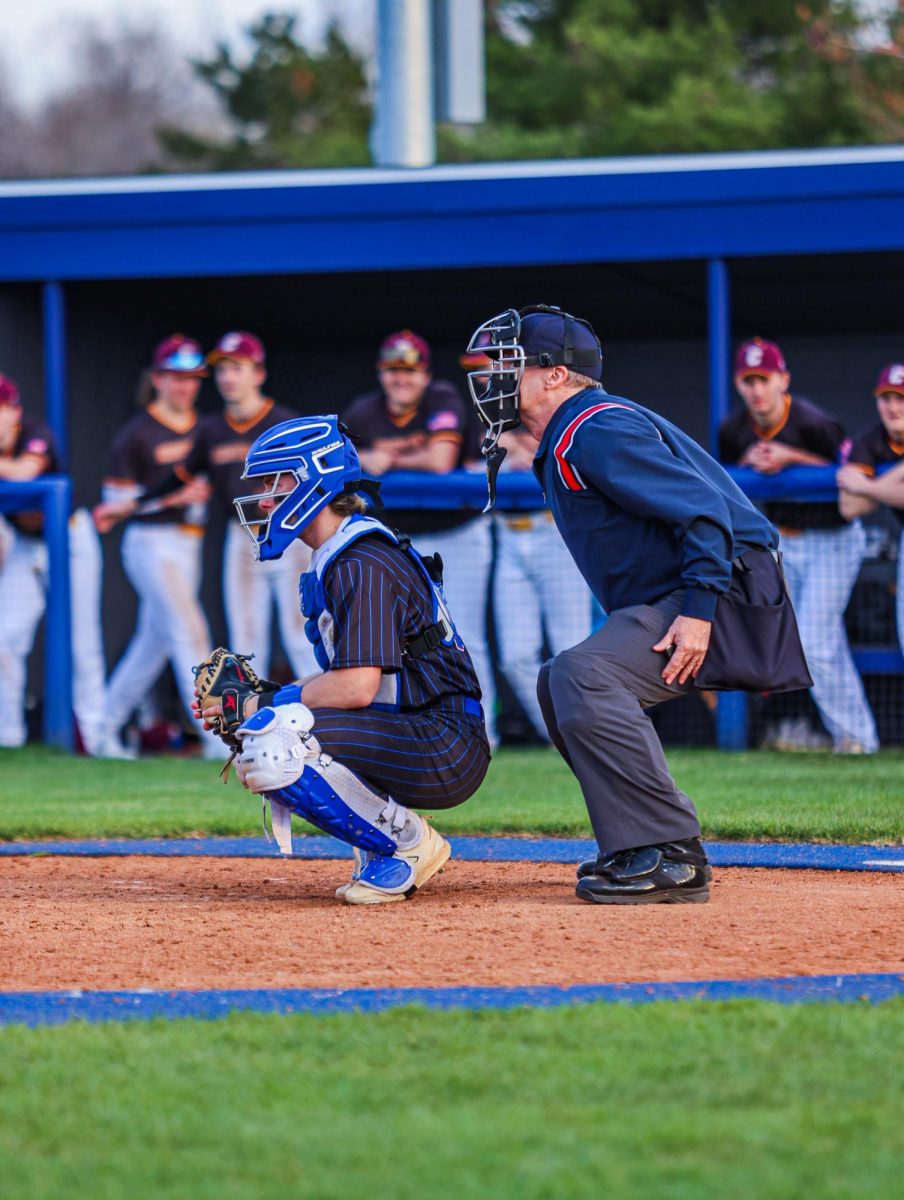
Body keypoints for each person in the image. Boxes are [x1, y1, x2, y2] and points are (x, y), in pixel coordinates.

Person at [464, 305, 780, 905]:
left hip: (727, 588)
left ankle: (674, 855)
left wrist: (700, 611)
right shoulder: (571, 430)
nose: (494, 379)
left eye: (511, 365)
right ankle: (638, 845)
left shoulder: (595, 425)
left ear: (555, 374)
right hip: (697, 586)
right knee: (559, 679)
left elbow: (705, 511)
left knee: (587, 674)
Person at [195, 414, 491, 905]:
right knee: (268, 727)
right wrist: (265, 699)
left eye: (278, 481)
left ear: (317, 479)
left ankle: (406, 844)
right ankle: (382, 844)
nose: (266, 499)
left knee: (273, 739)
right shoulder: (339, 552)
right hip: (417, 727)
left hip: (444, 741)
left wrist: (263, 703)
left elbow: (356, 688)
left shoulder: (360, 561)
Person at [96, 331, 316, 681]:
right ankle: (250, 732)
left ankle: (325, 728)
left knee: (302, 636)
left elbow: (319, 479)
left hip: (289, 533)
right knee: (246, 642)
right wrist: (127, 506)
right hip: (242, 537)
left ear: (258, 373)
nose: (228, 378)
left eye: (237, 368)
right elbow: (178, 478)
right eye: (223, 370)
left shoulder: (284, 422)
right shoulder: (212, 429)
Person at [719, 338, 878, 755]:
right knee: (820, 641)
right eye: (748, 380)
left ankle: (856, 740)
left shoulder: (814, 423)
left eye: (764, 379)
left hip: (834, 540)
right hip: (784, 542)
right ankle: (857, 738)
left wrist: (791, 457)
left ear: (782, 380)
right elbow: (722, 482)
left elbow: (852, 471)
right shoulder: (733, 430)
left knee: (811, 640)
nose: (756, 389)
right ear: (738, 383)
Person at [343, 330, 498, 746]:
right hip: (401, 541)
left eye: (410, 371)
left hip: (459, 533)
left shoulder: (442, 397)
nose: (401, 379)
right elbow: (344, 464)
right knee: (399, 640)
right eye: (394, 370)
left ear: (425, 374)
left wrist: (386, 459)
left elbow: (441, 459)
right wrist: (366, 458)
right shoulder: (362, 411)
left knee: (466, 637)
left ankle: (487, 733)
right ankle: (414, 729)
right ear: (381, 373)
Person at [94, 335, 224, 758]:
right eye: (175, 377)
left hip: (191, 543)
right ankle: (215, 736)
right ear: (157, 379)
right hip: (150, 543)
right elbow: (114, 508)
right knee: (190, 631)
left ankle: (102, 729)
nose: (185, 386)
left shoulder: (205, 426)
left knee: (151, 646)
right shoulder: (136, 434)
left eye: (192, 378)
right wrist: (172, 497)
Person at [461, 340, 592, 740]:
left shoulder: (535, 399)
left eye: (494, 365)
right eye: (480, 367)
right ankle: (564, 738)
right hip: (508, 533)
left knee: (573, 645)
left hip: (554, 528)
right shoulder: (475, 412)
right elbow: (457, 464)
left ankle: (597, 732)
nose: (485, 374)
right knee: (516, 654)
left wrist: (512, 446)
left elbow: (553, 447)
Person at [0, 372, 108, 753]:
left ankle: (97, 742)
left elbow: (25, 472)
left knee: (83, 644)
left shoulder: (35, 431)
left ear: (13, 410)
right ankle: (7, 741)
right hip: (25, 546)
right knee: (4, 639)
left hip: (70, 538)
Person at [836, 362, 904, 655]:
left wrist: (867, 486)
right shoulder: (871, 440)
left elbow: (859, 492)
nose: (893, 407)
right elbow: (849, 505)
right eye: (886, 398)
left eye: (901, 398)